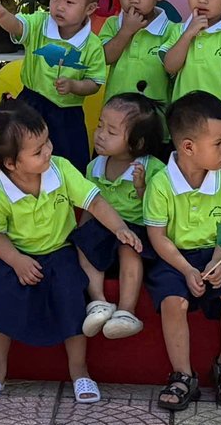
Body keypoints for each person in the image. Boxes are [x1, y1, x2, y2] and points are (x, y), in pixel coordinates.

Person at [0, 100, 142, 405]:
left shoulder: (60, 169)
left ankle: (80, 371)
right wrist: (17, 261)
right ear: (11, 163)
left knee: (72, 294)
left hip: (61, 251)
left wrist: (120, 228)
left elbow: (94, 201)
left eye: (47, 141)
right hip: (16, 254)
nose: (48, 151)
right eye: (38, 151)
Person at [145, 90, 221, 411]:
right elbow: (158, 237)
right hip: (175, 257)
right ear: (188, 147)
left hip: (218, 252)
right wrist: (187, 269)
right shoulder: (160, 184)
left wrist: (218, 262)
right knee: (173, 302)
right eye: (218, 143)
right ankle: (183, 375)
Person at [0, 0, 106, 166]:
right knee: (19, 156)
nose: (60, 6)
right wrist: (3, 16)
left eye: (69, 1)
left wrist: (74, 86)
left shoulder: (93, 45)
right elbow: (18, 26)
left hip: (67, 115)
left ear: (90, 8)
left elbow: (95, 82)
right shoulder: (40, 23)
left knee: (66, 163)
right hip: (30, 105)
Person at [71, 92, 167, 341]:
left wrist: (141, 187)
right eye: (100, 125)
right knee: (84, 242)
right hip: (103, 229)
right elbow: (90, 205)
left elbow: (160, 210)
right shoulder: (94, 166)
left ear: (137, 142)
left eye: (111, 132)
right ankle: (98, 302)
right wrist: (81, 233)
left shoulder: (153, 168)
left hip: (136, 231)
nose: (100, 134)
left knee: (129, 247)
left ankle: (126, 311)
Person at [99, 0, 179, 106]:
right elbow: (104, 58)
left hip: (155, 117)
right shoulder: (112, 24)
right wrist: (125, 31)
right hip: (115, 114)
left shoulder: (172, 31)